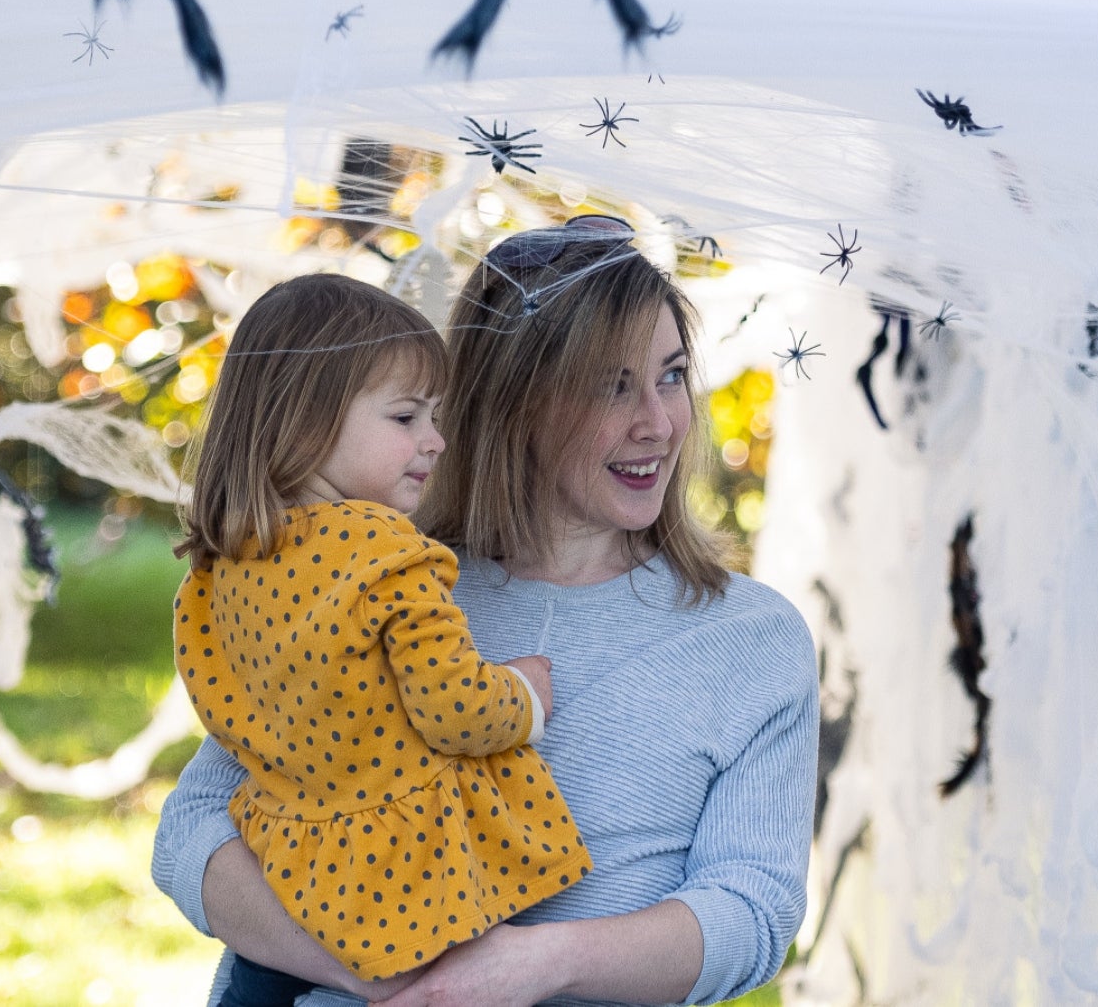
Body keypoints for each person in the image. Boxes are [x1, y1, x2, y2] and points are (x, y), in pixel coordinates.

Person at [154, 215, 818, 1007]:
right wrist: (378, 970)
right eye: (612, 384)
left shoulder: (750, 637)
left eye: (671, 375)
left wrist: (535, 966)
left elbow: (752, 910)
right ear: (514, 400)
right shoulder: (374, 579)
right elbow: (194, 826)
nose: (659, 421)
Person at [173, 274, 592, 1007]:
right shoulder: (387, 553)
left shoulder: (217, 572)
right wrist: (524, 693)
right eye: (406, 417)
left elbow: (231, 719)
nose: (436, 440)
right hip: (402, 884)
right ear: (301, 424)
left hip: (284, 869)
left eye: (437, 416)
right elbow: (454, 709)